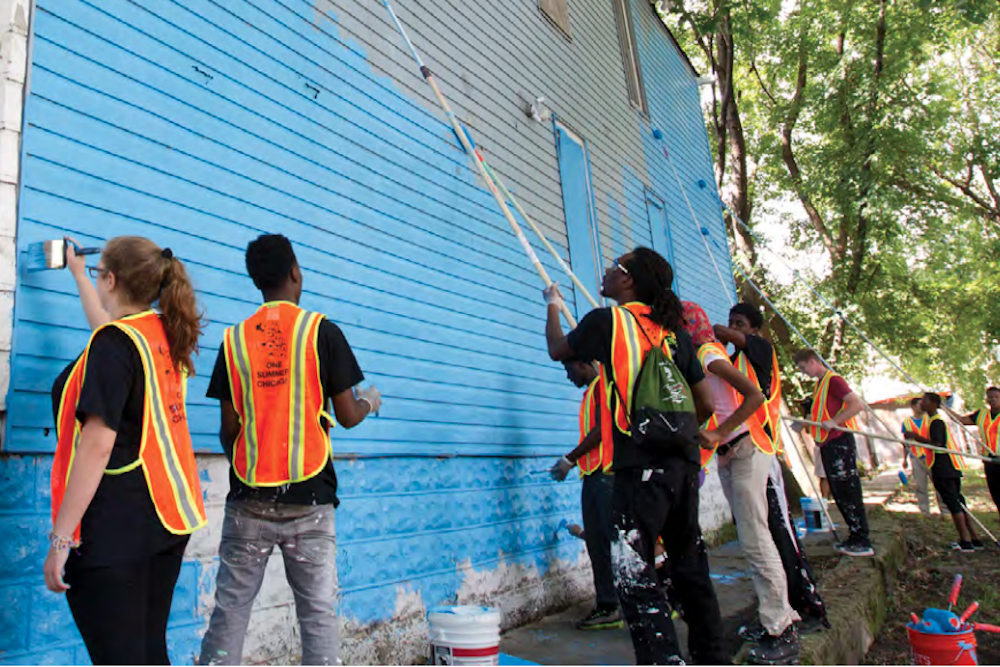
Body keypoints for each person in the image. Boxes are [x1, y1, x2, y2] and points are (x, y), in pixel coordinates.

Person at [199, 234, 382, 666]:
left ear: (256, 281)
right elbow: (348, 414)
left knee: (229, 613)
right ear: (295, 273)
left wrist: (253, 460)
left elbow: (229, 430)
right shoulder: (322, 332)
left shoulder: (234, 341)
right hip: (311, 502)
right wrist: (371, 400)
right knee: (317, 616)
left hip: (248, 500)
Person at [543, 247, 728, 665]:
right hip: (682, 467)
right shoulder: (673, 333)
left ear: (628, 281)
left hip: (639, 470)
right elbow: (704, 403)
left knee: (635, 574)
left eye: (615, 267)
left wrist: (553, 305)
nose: (606, 271)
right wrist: (680, 434)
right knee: (690, 569)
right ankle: (713, 658)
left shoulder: (608, 322)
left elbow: (558, 349)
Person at [45, 236, 207, 664]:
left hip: (117, 531)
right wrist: (80, 275)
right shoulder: (160, 334)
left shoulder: (117, 345)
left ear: (112, 280)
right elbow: (108, 331)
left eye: (98, 274)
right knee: (148, 653)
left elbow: (97, 446)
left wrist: (61, 539)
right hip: (166, 522)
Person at [683, 302, 799, 665]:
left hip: (750, 447)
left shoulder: (731, 351)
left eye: (741, 324)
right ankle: (776, 616)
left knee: (756, 539)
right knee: (753, 537)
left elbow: (754, 396)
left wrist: (718, 431)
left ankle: (780, 627)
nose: (734, 328)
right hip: (730, 451)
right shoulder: (722, 358)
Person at [549, 360, 622, 630]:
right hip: (595, 474)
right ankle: (610, 603)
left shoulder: (604, 386)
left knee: (609, 542)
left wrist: (570, 459)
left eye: (570, 371)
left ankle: (613, 604)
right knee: (599, 541)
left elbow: (603, 430)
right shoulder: (595, 389)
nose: (569, 377)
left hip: (606, 475)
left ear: (583, 364)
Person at [793, 349, 873, 557]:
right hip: (828, 444)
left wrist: (836, 422)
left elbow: (856, 404)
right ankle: (854, 537)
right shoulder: (820, 384)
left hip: (840, 442)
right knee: (839, 491)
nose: (804, 372)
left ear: (812, 361)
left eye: (803, 367)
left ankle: (862, 540)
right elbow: (822, 414)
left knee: (848, 490)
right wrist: (805, 422)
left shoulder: (833, 380)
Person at [905, 393, 981, 552]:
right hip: (948, 466)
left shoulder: (936, 422)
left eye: (925, 400)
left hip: (944, 467)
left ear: (933, 404)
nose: (922, 403)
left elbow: (937, 444)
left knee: (953, 503)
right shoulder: (931, 420)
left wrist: (915, 437)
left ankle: (966, 541)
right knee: (959, 501)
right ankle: (974, 538)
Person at [944, 387, 1000, 525]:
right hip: (989, 461)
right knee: (997, 496)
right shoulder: (981, 415)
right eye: (990, 397)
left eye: (996, 397)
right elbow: (962, 420)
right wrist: (944, 408)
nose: (992, 400)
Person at [901, 397, 948, 518]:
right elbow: (905, 441)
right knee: (921, 485)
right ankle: (924, 511)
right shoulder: (906, 422)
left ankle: (945, 510)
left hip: (931, 456)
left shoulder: (931, 420)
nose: (922, 406)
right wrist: (905, 458)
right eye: (919, 404)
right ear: (913, 407)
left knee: (939, 484)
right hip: (916, 456)